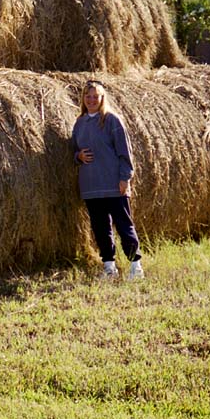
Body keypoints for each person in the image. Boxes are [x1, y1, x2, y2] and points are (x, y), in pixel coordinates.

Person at [71, 79, 144, 280]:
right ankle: (109, 267)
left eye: (96, 96)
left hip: (113, 184)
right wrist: (78, 157)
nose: (92, 100)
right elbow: (73, 151)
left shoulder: (112, 120)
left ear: (102, 98)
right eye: (88, 96)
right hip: (91, 186)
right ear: (83, 99)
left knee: (123, 225)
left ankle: (136, 265)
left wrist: (125, 178)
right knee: (100, 228)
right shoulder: (79, 123)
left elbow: (125, 152)